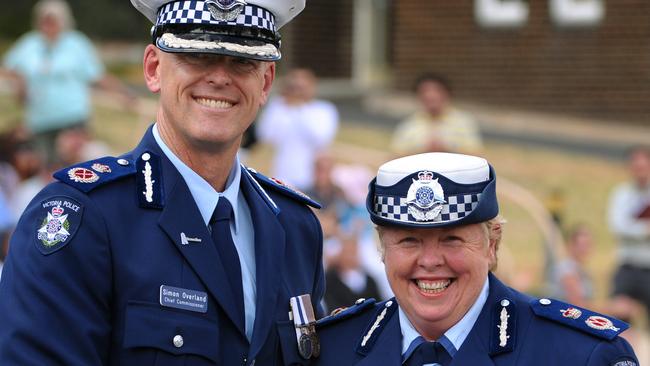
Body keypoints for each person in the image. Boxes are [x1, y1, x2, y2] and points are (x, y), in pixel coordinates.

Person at [0, 0, 326, 365]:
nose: (220, 77)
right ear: (153, 69)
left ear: (265, 82)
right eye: (196, 57)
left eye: (242, 61)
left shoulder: (295, 227)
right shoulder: (85, 218)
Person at [313, 152, 638, 365]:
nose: (429, 261)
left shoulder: (581, 355)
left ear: (492, 245)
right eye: (409, 241)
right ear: (383, 249)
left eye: (452, 239)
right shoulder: (331, 350)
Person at [1, 0, 132, 167]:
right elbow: (9, 68)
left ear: (63, 21)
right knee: (46, 170)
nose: (48, 25)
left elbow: (98, 75)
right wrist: (20, 83)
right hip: (40, 122)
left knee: (76, 168)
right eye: (44, 20)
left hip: (72, 120)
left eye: (52, 20)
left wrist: (123, 94)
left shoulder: (77, 43)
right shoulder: (30, 43)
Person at [256, 68, 339, 191]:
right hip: (282, 176)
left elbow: (321, 138)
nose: (298, 91)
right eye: (294, 87)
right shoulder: (279, 107)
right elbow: (265, 136)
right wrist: (280, 104)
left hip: (313, 179)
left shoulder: (324, 109)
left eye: (302, 87)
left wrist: (300, 107)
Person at [390, 73, 482, 156]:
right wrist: (423, 152)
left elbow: (477, 156)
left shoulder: (464, 122)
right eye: (424, 91)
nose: (430, 95)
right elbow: (394, 158)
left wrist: (446, 150)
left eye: (436, 90)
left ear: (447, 93)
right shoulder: (408, 125)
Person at [607, 146, 650, 319]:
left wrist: (632, 227)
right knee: (615, 320)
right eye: (636, 166)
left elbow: (625, 226)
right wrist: (645, 229)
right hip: (627, 267)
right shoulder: (621, 194)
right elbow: (617, 226)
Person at [547, 224, 595, 308]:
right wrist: (612, 308)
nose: (585, 249)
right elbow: (577, 304)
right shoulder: (566, 269)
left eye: (588, 244)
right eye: (581, 245)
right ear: (571, 245)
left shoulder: (581, 270)